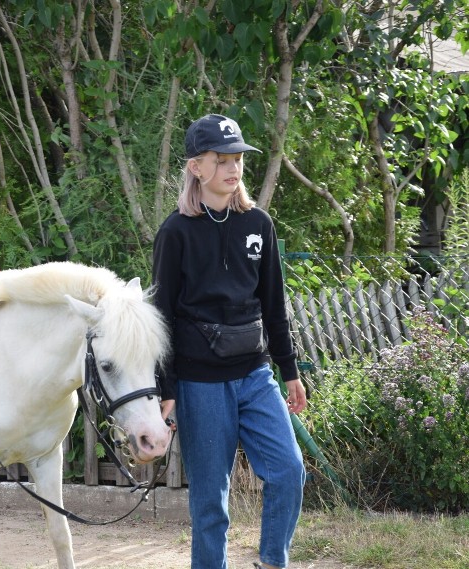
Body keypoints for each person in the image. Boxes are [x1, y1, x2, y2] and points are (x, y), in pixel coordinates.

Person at [152, 114, 307, 569]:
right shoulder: (175, 232)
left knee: (288, 470)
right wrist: (166, 388)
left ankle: (271, 562)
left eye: (237, 158)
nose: (233, 168)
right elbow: (160, 316)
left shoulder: (259, 223)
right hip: (200, 382)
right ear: (195, 167)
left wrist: (290, 371)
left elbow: (274, 304)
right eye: (221, 160)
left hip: (255, 373)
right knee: (210, 502)